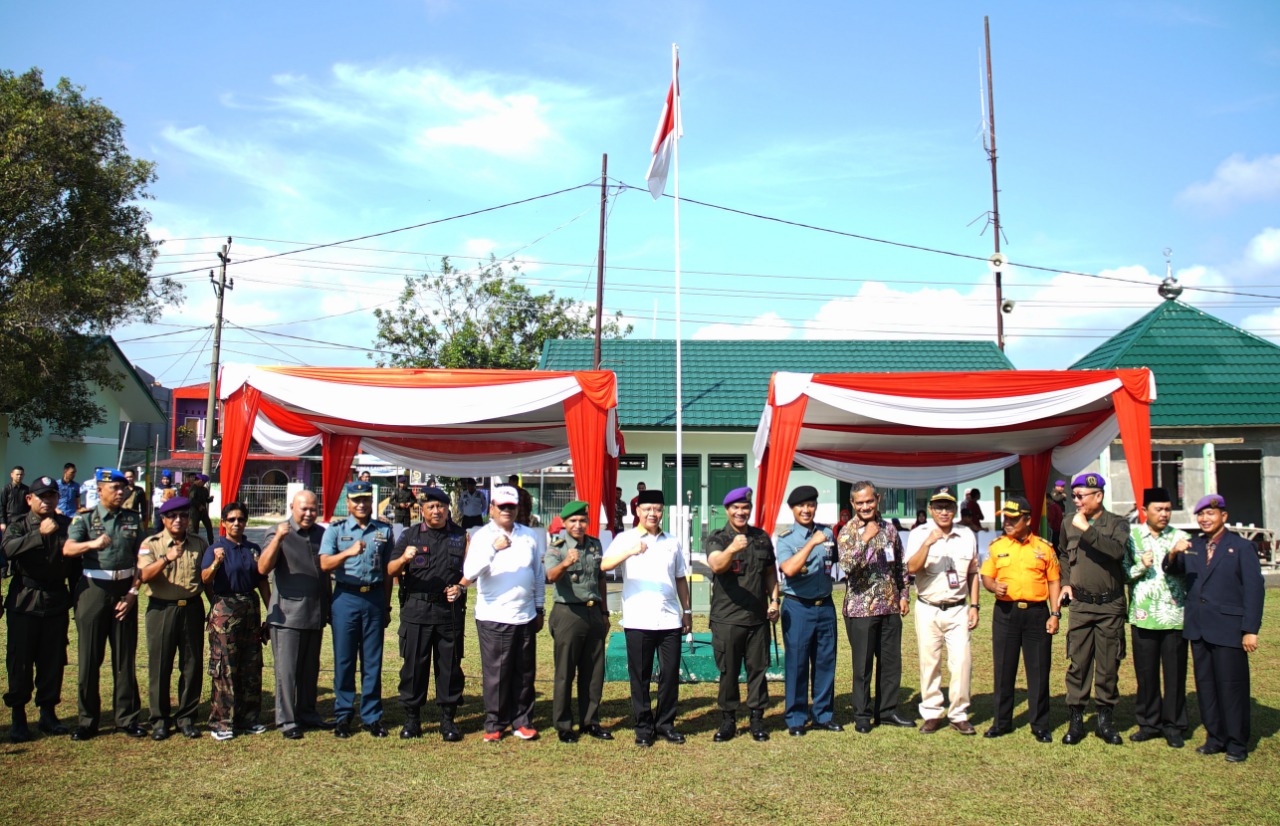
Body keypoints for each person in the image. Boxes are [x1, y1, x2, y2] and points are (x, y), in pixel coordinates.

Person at [1163, 494, 1264, 763]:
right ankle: (1215, 738)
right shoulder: (1193, 545)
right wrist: (1173, 552)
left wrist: (1250, 629)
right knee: (1206, 686)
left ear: (1224, 516)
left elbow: (1254, 590)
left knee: (1232, 687)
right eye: (1201, 514)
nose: (1205, 519)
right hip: (1199, 628)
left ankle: (1236, 743)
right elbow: (1171, 570)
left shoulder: (1241, 547)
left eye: (1211, 514)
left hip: (1229, 628)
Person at [602, 487, 692, 747]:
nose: (653, 513)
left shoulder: (671, 541)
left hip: (669, 619)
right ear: (638, 511)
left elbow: (680, 578)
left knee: (669, 674)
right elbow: (605, 565)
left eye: (657, 509)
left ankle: (666, 724)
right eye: (647, 509)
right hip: (638, 619)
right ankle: (643, 726)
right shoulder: (626, 538)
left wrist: (686, 612)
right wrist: (630, 551)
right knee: (640, 676)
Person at [62, 468, 144, 740]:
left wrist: (132, 593)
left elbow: (141, 558)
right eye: (114, 488)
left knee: (125, 657)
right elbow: (68, 548)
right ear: (99, 490)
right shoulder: (85, 518)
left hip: (124, 590)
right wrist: (92, 544)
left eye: (123, 488)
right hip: (94, 590)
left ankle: (126, 718)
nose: (120, 492)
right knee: (89, 658)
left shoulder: (132, 518)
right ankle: (87, 721)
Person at [464, 484, 546, 742]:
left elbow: (538, 574)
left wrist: (539, 607)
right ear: (492, 509)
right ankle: (495, 723)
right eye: (502, 507)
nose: (507, 511)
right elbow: (469, 573)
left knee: (524, 672)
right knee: (497, 674)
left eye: (511, 506)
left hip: (525, 614)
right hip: (494, 616)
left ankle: (522, 721)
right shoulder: (482, 536)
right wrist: (493, 549)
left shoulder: (529, 535)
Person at [1057, 472, 1131, 746]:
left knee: (1108, 665)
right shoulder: (1068, 522)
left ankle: (1104, 721)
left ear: (1098, 496)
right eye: (1073, 496)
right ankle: (1076, 719)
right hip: (1081, 606)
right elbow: (1063, 554)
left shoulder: (1117, 523)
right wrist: (1066, 583)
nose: (1076, 501)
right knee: (1078, 663)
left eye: (1080, 496)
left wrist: (1087, 529)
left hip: (1109, 605)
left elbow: (1117, 551)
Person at [389, 486, 468, 742]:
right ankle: (412, 720)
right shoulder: (410, 535)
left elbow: (471, 571)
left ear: (447, 508)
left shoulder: (460, 536)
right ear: (422, 510)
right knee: (414, 667)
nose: (436, 511)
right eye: (431, 507)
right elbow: (390, 569)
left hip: (449, 613)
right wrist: (404, 559)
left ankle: (448, 720)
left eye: (441, 506)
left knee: (449, 668)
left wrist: (461, 587)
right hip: (417, 611)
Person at [980, 497, 1061, 741]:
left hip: (1037, 613)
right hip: (1006, 613)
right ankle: (1001, 722)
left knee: (1039, 670)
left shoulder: (1044, 548)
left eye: (1013, 519)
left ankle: (1040, 725)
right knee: (1004, 669)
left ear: (1027, 520)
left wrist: (1055, 613)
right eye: (1005, 518)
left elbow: (1054, 581)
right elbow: (986, 576)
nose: (1007, 523)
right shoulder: (997, 546)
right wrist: (993, 586)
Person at [3, 475, 76, 741]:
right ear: (29, 499)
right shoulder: (19, 524)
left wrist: (77, 601)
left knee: (52, 660)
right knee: (20, 661)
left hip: (56, 600)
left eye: (51, 495)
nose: (47, 501)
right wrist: (38, 534)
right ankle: (18, 716)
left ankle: (48, 713)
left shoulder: (66, 526)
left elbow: (75, 566)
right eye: (41, 496)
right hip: (24, 601)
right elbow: (7, 550)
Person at [704, 486, 778, 742]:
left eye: (745, 507)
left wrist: (774, 601)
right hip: (727, 619)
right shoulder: (718, 538)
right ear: (727, 510)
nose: (741, 512)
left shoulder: (761, 537)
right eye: (735, 507)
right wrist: (732, 549)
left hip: (757, 619)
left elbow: (770, 572)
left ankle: (757, 719)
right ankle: (728, 720)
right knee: (729, 672)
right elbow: (716, 564)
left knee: (758, 670)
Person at [321, 480, 394, 738]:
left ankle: (372, 716)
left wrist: (386, 605)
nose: (361, 504)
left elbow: (388, 572)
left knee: (372, 661)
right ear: (348, 503)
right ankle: (343, 715)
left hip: (373, 597)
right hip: (346, 597)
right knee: (344, 659)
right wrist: (347, 553)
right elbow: (325, 564)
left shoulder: (384, 530)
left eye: (365, 500)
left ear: (371, 502)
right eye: (356, 500)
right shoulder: (336, 530)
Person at [838, 480, 912, 733]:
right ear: (852, 503)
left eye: (869, 501)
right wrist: (865, 539)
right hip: (861, 610)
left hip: (890, 606)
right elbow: (846, 566)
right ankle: (862, 715)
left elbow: (901, 565)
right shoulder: (847, 532)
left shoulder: (889, 529)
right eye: (860, 503)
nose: (865, 506)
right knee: (863, 665)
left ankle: (887, 711)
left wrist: (904, 595)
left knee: (891, 663)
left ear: (878, 499)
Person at [905, 489, 979, 735]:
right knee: (930, 662)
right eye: (938, 507)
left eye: (948, 507)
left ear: (955, 510)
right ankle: (932, 712)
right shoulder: (919, 533)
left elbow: (973, 572)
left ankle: (959, 714)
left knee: (962, 662)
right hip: (928, 607)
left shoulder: (966, 535)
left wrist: (975, 606)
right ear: (931, 509)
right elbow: (911, 568)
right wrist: (928, 543)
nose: (944, 512)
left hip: (958, 608)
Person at [258, 490, 330, 739]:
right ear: (292, 507)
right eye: (304, 509)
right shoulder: (278, 531)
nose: (309, 513)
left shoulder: (322, 534)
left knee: (310, 669)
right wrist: (278, 538)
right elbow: (263, 568)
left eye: (313, 509)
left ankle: (307, 712)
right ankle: (287, 720)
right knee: (287, 672)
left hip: (315, 612)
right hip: (287, 615)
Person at [1126, 487, 1193, 748]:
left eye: (1168, 509)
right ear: (1145, 511)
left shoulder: (1181, 537)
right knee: (1146, 674)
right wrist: (1141, 566)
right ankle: (1148, 723)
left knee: (1175, 674)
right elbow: (1123, 574)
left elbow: (1190, 573)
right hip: (1143, 615)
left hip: (1174, 615)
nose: (1164, 514)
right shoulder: (1132, 537)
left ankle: (1174, 725)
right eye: (1159, 509)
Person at [137, 496, 208, 740]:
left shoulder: (199, 543)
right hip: (161, 609)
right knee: (160, 665)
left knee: (192, 665)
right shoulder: (152, 543)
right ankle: (159, 720)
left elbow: (205, 579)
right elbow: (144, 575)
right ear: (164, 519)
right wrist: (167, 558)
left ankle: (186, 717)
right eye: (172, 516)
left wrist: (214, 607)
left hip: (191, 608)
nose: (179, 520)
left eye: (184, 515)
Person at [774, 485, 841, 737]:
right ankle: (796, 718)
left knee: (825, 662)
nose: (806, 510)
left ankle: (823, 715)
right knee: (797, 663)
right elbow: (789, 569)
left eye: (810, 505)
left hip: (824, 606)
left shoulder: (827, 532)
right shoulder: (786, 538)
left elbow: (836, 560)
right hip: (798, 606)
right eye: (801, 506)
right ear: (792, 509)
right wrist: (812, 543)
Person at [200, 501, 269, 741]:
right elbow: (205, 579)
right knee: (225, 667)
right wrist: (216, 563)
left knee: (251, 665)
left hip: (250, 608)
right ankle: (222, 722)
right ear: (223, 523)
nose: (236, 523)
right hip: (225, 610)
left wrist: (271, 613)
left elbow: (262, 581)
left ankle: (248, 718)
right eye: (231, 520)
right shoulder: (215, 549)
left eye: (240, 519)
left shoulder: (253, 549)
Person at [543, 500, 611, 743]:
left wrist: (605, 612)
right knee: (565, 672)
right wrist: (565, 563)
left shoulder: (595, 544)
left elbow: (600, 578)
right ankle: (563, 725)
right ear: (564, 523)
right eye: (573, 521)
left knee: (593, 672)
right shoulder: (557, 547)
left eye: (582, 520)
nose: (578, 525)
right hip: (568, 613)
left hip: (593, 612)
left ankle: (590, 721)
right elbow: (550, 576)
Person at [1, 465, 30, 536]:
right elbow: (1, 506)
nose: (19, 476)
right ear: (12, 475)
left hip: (23, 520)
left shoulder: (27, 489)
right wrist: (2, 522)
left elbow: (30, 506)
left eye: (21, 474)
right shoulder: (6, 489)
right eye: (17, 474)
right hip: (10, 520)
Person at [187, 474, 214, 545]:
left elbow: (206, 500)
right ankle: (193, 544)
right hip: (194, 511)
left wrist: (210, 499)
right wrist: (199, 505)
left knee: (209, 527)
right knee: (193, 529)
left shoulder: (204, 489)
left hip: (203, 511)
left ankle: (211, 543)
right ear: (199, 481)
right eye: (203, 482)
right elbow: (191, 499)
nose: (204, 484)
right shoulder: (193, 488)